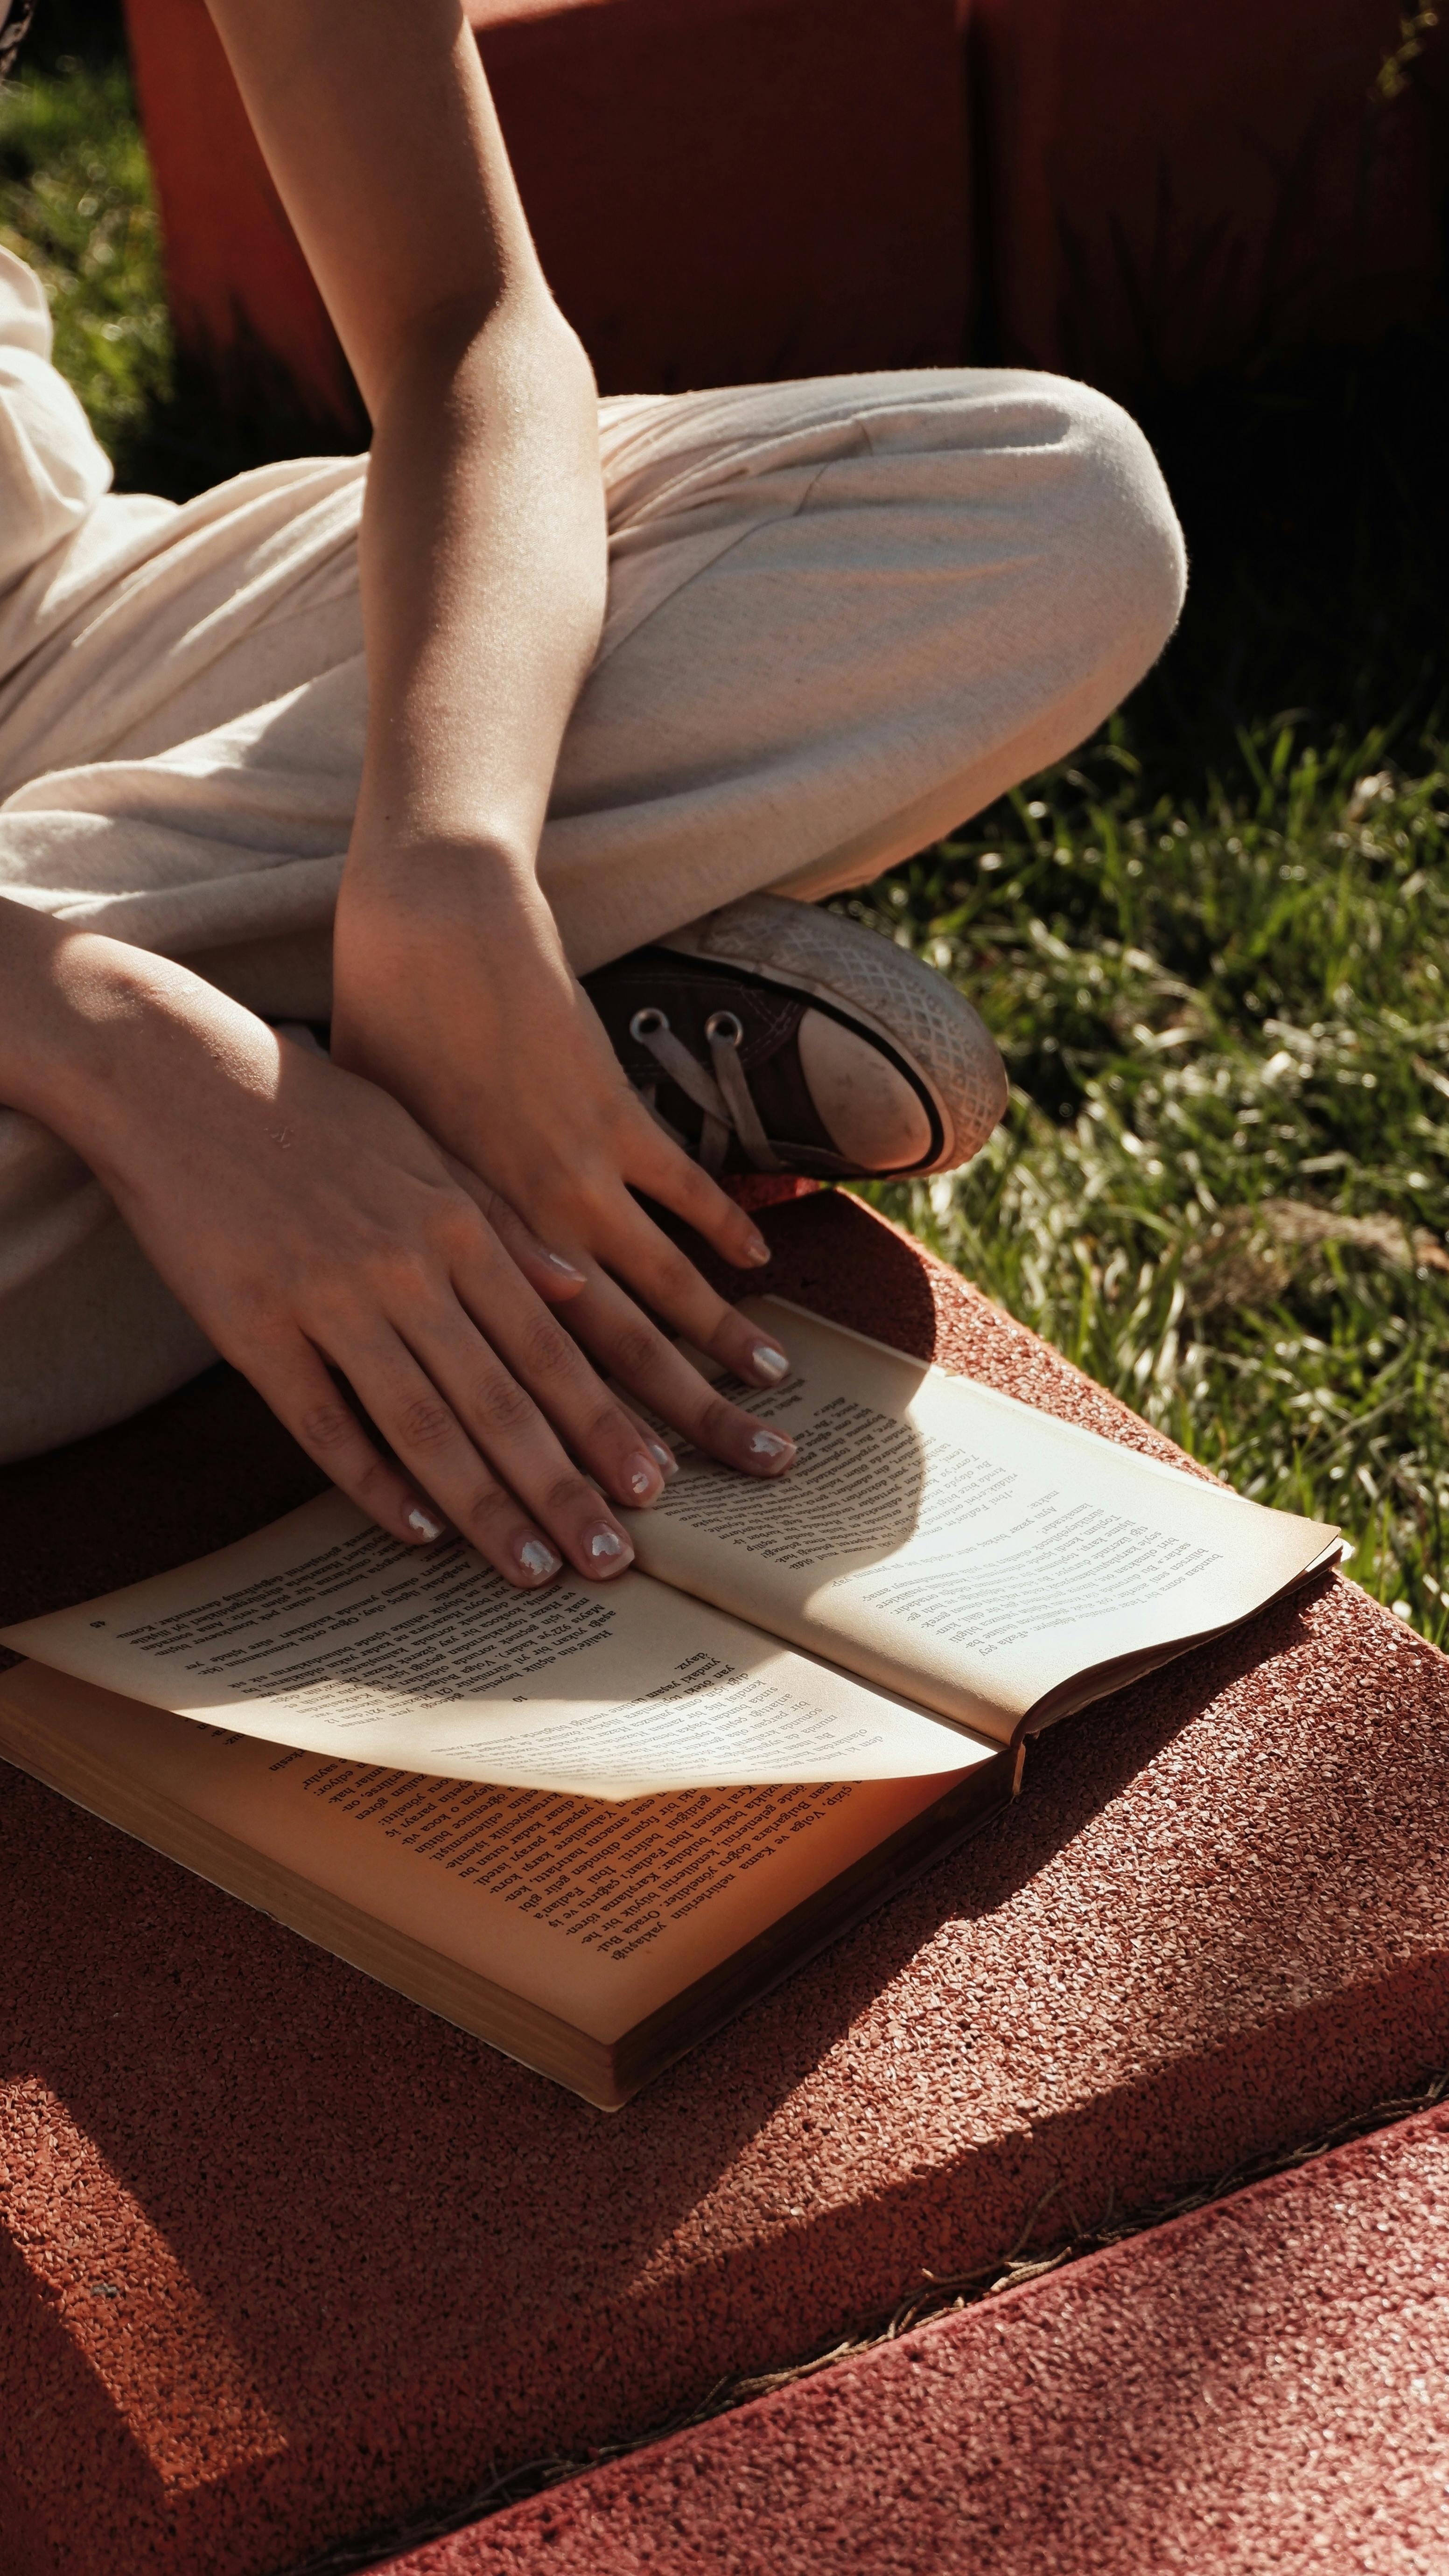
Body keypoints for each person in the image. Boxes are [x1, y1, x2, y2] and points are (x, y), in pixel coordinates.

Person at [0, 0, 1186, 1591]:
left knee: (1052, 520)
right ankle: (412, 1085)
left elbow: (464, 325)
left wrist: (451, 845)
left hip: (57, 628)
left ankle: (372, 1064)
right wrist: (128, 1054)